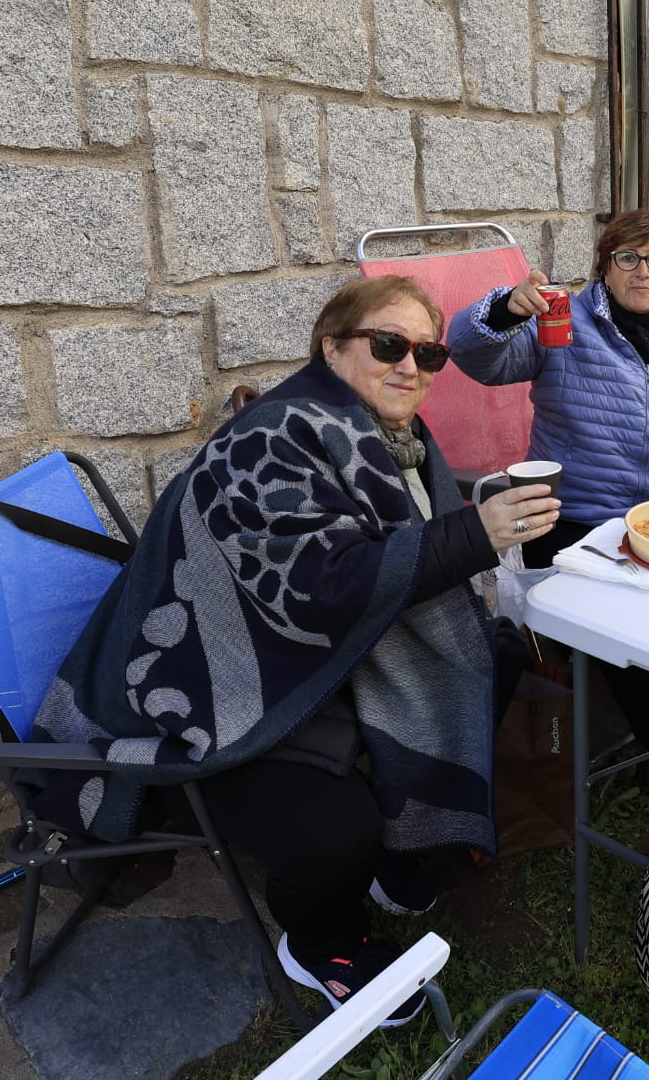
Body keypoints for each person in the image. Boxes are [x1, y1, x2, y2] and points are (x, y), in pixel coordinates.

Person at [27, 275, 559, 1012]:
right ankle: (320, 941)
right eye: (388, 344)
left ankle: (391, 846)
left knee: (488, 651)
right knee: (333, 830)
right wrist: (475, 533)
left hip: (302, 653)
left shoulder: (389, 435)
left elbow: (387, 566)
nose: (411, 365)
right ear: (331, 346)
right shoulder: (273, 437)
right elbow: (313, 585)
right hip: (209, 687)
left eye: (429, 353)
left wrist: (469, 537)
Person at [449, 208, 649, 810]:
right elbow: (473, 356)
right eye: (627, 258)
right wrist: (507, 309)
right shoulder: (564, 323)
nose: (643, 271)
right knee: (622, 606)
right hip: (572, 518)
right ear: (604, 267)